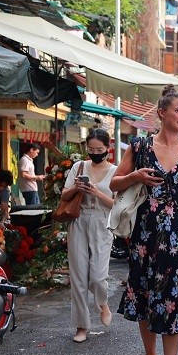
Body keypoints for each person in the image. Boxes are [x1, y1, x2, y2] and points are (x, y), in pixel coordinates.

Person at [112, 85, 178, 355]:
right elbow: (114, 183)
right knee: (147, 294)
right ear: (162, 113)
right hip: (143, 234)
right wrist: (135, 176)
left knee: (174, 297)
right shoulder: (138, 147)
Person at [60, 129, 117, 343]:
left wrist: (97, 193)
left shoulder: (115, 172)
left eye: (99, 150)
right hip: (79, 221)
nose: (94, 153)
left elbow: (117, 205)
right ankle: (81, 326)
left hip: (103, 223)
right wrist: (77, 186)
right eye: (91, 149)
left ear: (107, 149)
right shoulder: (79, 167)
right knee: (78, 277)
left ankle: (102, 303)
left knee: (97, 277)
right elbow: (64, 195)